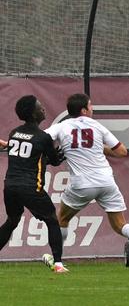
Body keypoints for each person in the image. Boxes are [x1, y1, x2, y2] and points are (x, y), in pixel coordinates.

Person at [44, 93, 129, 271]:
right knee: (120, 224)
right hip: (106, 181)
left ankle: (56, 258)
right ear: (83, 110)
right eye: (90, 106)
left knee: (62, 219)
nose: (92, 109)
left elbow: (41, 139)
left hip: (82, 184)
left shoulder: (61, 126)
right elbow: (122, 151)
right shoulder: (97, 126)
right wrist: (98, 147)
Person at [0, 95, 67, 273]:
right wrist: (59, 156)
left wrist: (47, 158)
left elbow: (32, 157)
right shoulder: (43, 137)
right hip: (30, 186)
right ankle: (58, 264)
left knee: (12, 221)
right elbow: (53, 160)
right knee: (53, 220)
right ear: (33, 113)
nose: (43, 108)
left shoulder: (14, 132)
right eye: (39, 107)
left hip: (10, 186)